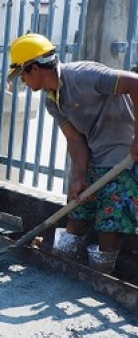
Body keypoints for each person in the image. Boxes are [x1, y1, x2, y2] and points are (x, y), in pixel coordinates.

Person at [8, 33, 138, 272]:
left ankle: (100, 277)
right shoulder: (52, 102)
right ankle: (62, 266)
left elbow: (135, 84)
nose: (23, 82)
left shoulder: (83, 76)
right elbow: (75, 140)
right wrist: (79, 176)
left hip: (125, 157)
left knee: (112, 220)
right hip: (96, 158)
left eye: (22, 75)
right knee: (77, 206)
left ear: (34, 68)